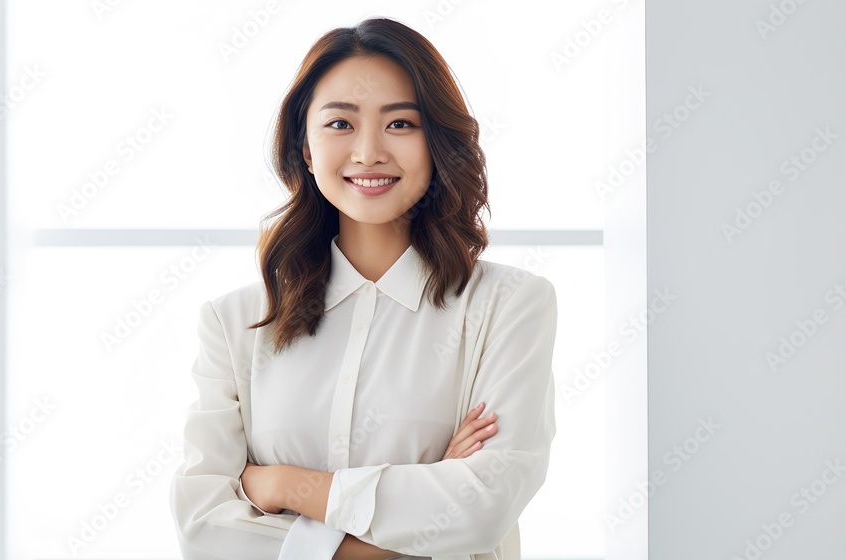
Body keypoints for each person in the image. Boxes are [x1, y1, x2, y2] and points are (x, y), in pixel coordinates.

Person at [169, 17, 558, 560]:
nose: (369, 152)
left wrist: (282, 486)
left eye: (400, 124)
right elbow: (205, 531)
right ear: (305, 149)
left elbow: (482, 508)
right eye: (340, 124)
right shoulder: (235, 323)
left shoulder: (507, 307)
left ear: (437, 142)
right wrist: (418, 520)